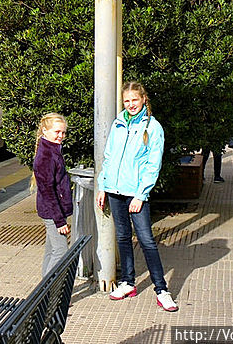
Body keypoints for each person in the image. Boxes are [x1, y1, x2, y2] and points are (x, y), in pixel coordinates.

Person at [96, 81, 178, 312]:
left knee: (146, 240)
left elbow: (153, 164)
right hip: (114, 190)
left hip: (136, 193)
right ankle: (128, 283)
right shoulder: (118, 123)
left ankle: (162, 290)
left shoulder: (153, 127)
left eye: (134, 99)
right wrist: (103, 186)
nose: (131, 104)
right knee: (123, 237)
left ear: (143, 99)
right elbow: (109, 156)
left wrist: (141, 195)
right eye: (127, 101)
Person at [32, 112, 73, 276]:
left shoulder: (51, 151)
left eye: (63, 132)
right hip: (52, 212)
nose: (61, 136)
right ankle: (49, 289)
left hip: (52, 210)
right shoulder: (46, 155)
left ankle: (45, 287)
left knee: (51, 250)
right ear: (44, 130)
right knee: (61, 251)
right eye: (57, 132)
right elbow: (47, 191)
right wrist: (59, 220)